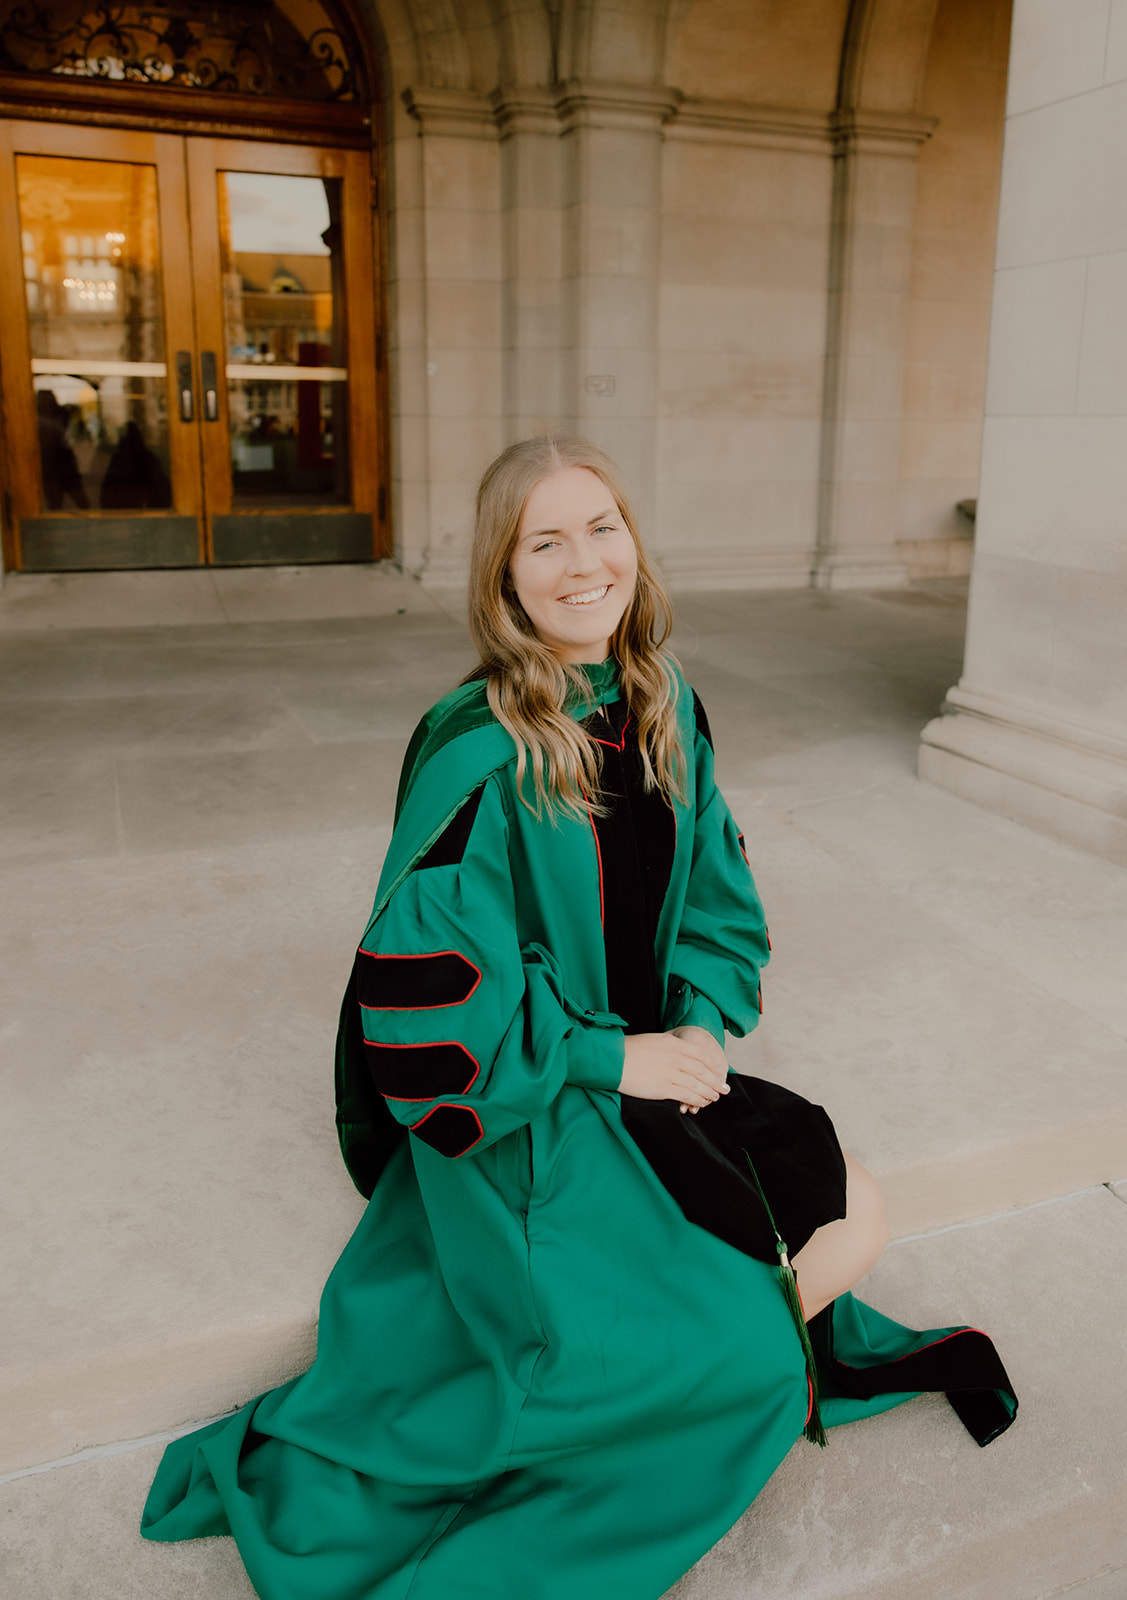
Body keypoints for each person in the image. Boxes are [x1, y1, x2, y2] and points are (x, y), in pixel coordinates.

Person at [141, 435, 1017, 1598]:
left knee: (854, 1213)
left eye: (600, 527)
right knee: (739, 1331)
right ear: (504, 578)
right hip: (533, 1108)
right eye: (541, 542)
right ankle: (648, 1393)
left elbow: (715, 896)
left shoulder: (663, 703)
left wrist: (699, 1024)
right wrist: (615, 1058)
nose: (581, 562)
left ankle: (672, 1362)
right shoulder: (478, 750)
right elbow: (433, 1010)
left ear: (633, 544)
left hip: (655, 1069)